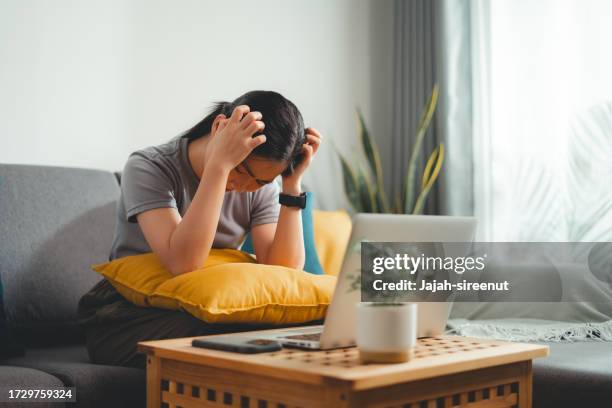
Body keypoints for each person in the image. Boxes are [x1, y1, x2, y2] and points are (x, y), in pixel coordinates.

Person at [77, 90, 322, 368]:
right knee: (235, 338)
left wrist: (291, 187)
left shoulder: (260, 187)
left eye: (261, 182)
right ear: (219, 128)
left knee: (291, 331)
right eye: (241, 171)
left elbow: (285, 270)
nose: (243, 187)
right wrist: (219, 166)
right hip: (124, 317)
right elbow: (184, 262)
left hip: (206, 311)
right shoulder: (149, 167)